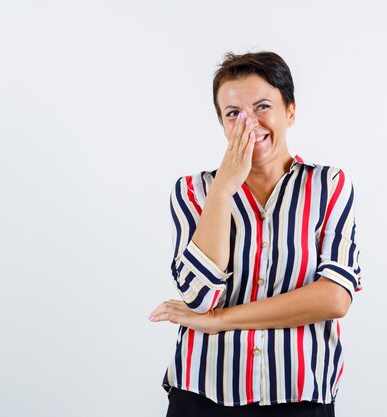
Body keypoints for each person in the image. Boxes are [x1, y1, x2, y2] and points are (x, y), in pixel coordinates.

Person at [149, 51, 362, 417]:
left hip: (299, 396)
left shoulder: (329, 185)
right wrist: (223, 189)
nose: (249, 123)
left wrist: (220, 321)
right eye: (233, 113)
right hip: (203, 395)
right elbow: (200, 297)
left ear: (290, 111)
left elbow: (334, 299)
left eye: (263, 106)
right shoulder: (192, 192)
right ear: (221, 123)